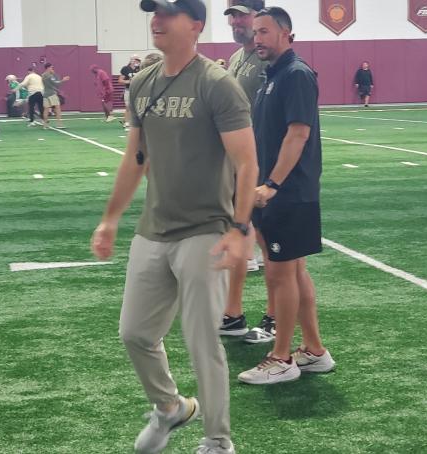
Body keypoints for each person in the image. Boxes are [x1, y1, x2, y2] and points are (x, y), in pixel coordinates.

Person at [90, 0, 256, 452]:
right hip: (153, 228)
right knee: (135, 333)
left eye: (167, 14)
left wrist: (240, 229)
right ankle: (171, 408)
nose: (156, 21)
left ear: (196, 25)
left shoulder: (218, 85)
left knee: (202, 342)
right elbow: (135, 159)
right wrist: (110, 219)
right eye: (153, 13)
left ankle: (218, 441)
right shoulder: (142, 82)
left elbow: (246, 161)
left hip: (206, 228)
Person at [237, 6, 335, 385]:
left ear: (286, 34)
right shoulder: (271, 76)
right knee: (294, 272)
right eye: (255, 32)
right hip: (274, 191)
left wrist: (273, 185)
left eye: (264, 32)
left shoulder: (295, 74)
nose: (256, 38)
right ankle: (313, 351)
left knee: (280, 275)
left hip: (289, 193)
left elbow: (298, 134)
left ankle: (281, 357)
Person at [220, 0, 271, 341]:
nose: (235, 22)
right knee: (238, 234)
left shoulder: (272, 60)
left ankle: (275, 317)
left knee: (272, 248)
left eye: (241, 14)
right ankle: (233, 314)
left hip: (265, 163)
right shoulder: (237, 58)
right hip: (237, 163)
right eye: (232, 16)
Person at [41, 62, 70, 129]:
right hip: (51, 94)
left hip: (45, 94)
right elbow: (56, 83)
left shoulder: (43, 75)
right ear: (48, 68)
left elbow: (49, 85)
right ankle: (59, 124)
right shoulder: (50, 75)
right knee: (57, 108)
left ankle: (45, 125)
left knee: (46, 109)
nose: (52, 69)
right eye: (51, 67)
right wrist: (63, 80)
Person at [119, 55, 142, 129]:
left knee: (138, 107)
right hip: (129, 90)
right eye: (136, 60)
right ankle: (126, 122)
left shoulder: (140, 68)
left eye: (138, 60)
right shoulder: (126, 69)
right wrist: (129, 81)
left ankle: (134, 121)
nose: (137, 62)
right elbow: (120, 80)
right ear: (131, 60)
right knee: (128, 106)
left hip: (138, 90)